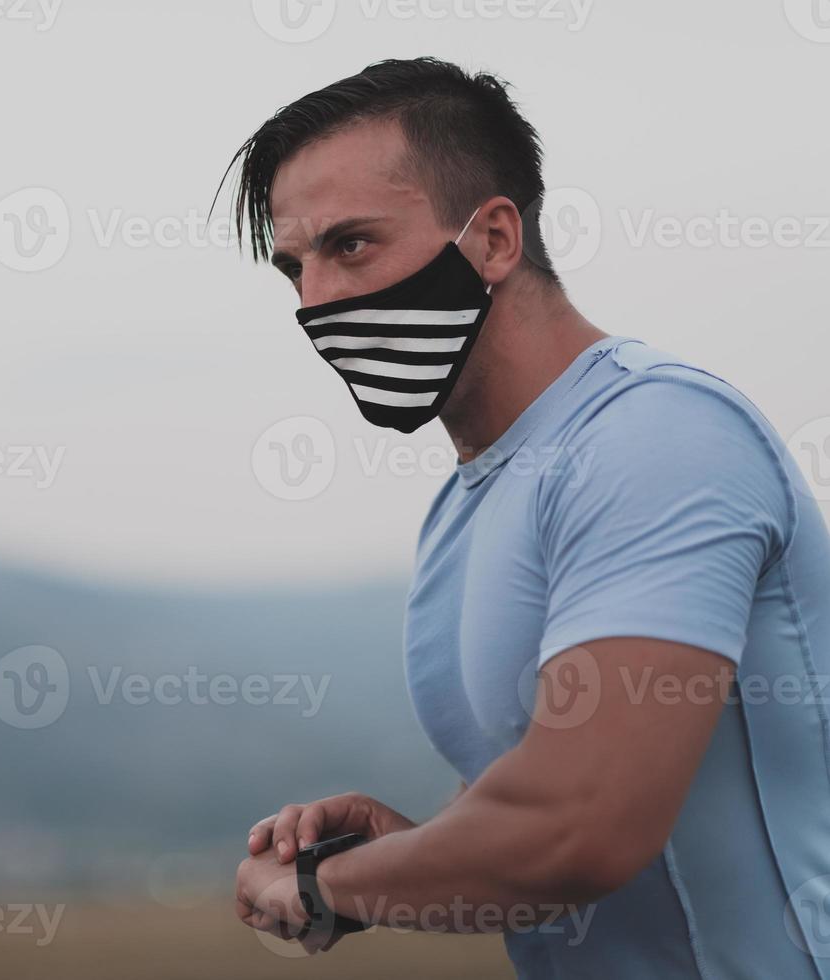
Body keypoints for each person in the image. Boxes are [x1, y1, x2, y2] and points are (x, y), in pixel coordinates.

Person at [226, 57, 830, 978]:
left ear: (495, 239)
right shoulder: (469, 500)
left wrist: (322, 890)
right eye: (293, 268)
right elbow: (537, 820)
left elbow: (580, 829)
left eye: (352, 245)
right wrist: (402, 851)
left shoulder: (653, 439)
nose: (316, 303)